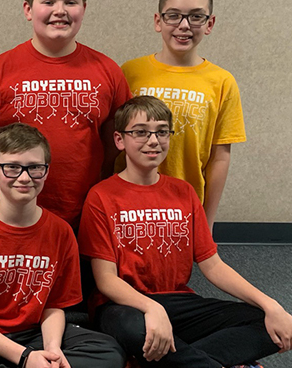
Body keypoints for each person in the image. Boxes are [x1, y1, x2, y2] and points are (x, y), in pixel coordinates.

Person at [78, 96, 292, 367]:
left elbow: (212, 265)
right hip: (124, 307)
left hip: (179, 302)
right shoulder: (101, 196)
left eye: (161, 131)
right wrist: (151, 308)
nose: (153, 140)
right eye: (141, 132)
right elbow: (106, 281)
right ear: (120, 140)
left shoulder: (184, 192)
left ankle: (167, 360)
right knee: (137, 332)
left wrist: (271, 305)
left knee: (273, 324)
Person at [0, 123, 125, 368]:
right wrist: (24, 358)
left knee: (109, 353)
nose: (24, 178)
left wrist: (53, 351)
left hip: (34, 330)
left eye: (34, 168)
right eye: (12, 168)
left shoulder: (61, 232)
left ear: (46, 171)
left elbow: (55, 306)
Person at [0, 0, 131, 231]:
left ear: (84, 9)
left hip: (85, 213)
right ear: (28, 9)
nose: (60, 11)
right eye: (49, 1)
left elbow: (114, 146)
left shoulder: (108, 72)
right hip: (12, 213)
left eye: (71, 2)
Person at [121, 0, 245, 230]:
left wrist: (207, 221)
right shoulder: (129, 72)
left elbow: (219, 157)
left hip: (183, 207)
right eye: (174, 15)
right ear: (158, 21)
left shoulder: (222, 82)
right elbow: (113, 144)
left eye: (196, 16)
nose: (184, 25)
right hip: (127, 204)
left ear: (209, 24)